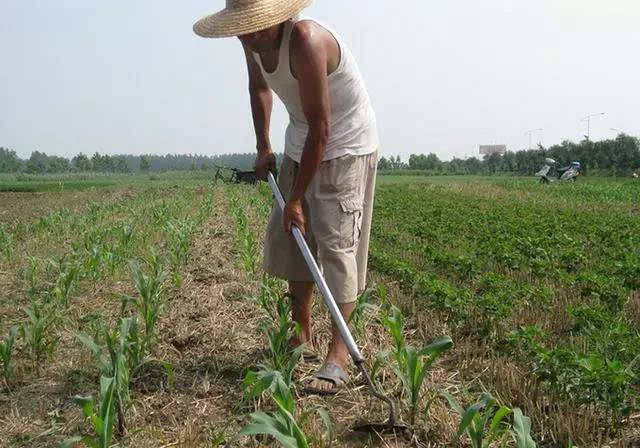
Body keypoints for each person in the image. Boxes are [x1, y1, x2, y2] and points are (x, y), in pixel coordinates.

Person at [194, 0, 379, 394]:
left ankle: (339, 356)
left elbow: (323, 128)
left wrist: (297, 199)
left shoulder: (307, 42)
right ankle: (300, 337)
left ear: (278, 18)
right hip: (301, 141)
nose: (250, 34)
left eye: (257, 26)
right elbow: (259, 87)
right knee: (294, 242)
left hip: (344, 146)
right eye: (243, 27)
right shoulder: (251, 40)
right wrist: (263, 145)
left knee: (334, 246)